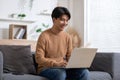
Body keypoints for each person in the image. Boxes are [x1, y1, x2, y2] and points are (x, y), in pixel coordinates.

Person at [35, 6, 89, 80]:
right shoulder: (44, 36)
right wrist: (55, 64)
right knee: (60, 74)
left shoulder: (67, 36)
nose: (65, 23)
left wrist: (78, 63)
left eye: (67, 20)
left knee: (84, 72)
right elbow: (39, 58)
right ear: (54, 20)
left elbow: (69, 56)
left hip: (63, 68)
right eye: (62, 20)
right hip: (46, 68)